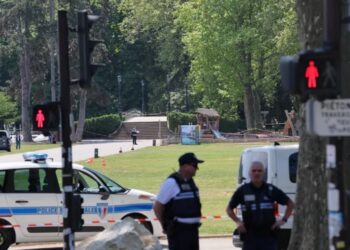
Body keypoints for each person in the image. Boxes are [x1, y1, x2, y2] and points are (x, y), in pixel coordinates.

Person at [226, 161, 295, 250]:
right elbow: (229, 209)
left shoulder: (270, 190)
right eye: (254, 171)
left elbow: (291, 204)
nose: (257, 173)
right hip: (250, 237)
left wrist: (283, 220)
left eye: (259, 171)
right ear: (249, 173)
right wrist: (238, 222)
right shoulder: (243, 191)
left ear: (263, 173)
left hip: (268, 237)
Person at [153, 152, 204, 250]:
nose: (197, 168)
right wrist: (165, 225)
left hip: (192, 231)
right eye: (194, 165)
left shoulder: (191, 182)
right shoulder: (171, 183)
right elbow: (158, 207)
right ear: (184, 166)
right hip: (179, 232)